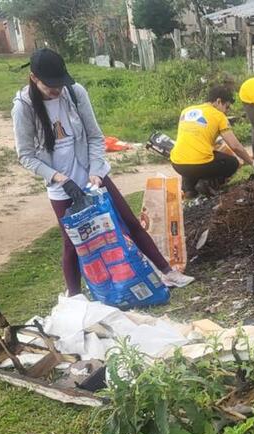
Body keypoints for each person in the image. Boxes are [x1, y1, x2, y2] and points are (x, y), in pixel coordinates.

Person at [12, 48, 194, 296]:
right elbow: (26, 156)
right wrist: (58, 178)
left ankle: (168, 272)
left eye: (60, 83)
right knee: (73, 243)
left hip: (92, 177)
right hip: (62, 187)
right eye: (50, 85)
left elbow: (96, 136)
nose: (57, 90)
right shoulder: (24, 107)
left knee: (128, 221)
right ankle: (74, 297)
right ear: (34, 78)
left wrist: (96, 172)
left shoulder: (75, 93)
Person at [170, 85, 254, 198]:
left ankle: (189, 190)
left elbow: (194, 138)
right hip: (199, 164)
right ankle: (207, 184)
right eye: (227, 107)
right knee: (232, 163)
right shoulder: (219, 116)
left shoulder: (186, 111)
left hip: (177, 164)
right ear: (218, 101)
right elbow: (235, 146)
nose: (226, 111)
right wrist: (252, 163)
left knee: (190, 155)